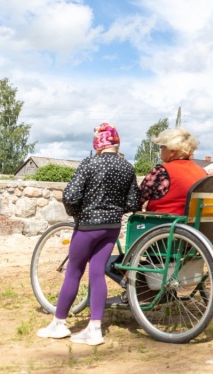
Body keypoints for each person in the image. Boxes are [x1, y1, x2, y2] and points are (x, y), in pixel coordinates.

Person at [37, 123, 140, 346]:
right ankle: (94, 329)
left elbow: (71, 196)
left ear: (98, 143)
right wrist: (114, 211)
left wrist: (78, 215)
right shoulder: (127, 168)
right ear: (116, 142)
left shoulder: (89, 163)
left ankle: (59, 323)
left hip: (87, 226)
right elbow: (133, 201)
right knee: (96, 274)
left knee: (74, 271)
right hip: (111, 227)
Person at [139, 128, 207, 214]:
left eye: (162, 146)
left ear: (172, 151)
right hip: (193, 225)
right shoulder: (202, 172)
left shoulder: (161, 171)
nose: (161, 150)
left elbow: (138, 198)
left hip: (165, 223)